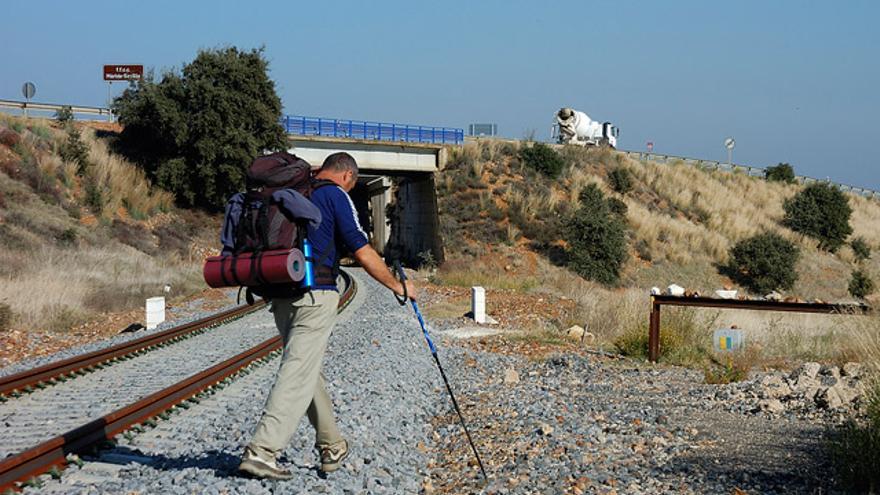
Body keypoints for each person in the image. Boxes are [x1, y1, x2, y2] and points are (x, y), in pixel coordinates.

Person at [238, 151, 418, 480]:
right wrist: (397, 286)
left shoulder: (293, 192)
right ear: (348, 176)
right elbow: (361, 250)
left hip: (279, 292)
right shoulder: (336, 195)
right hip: (315, 295)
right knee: (297, 371)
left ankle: (331, 444)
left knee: (304, 369)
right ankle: (262, 451)